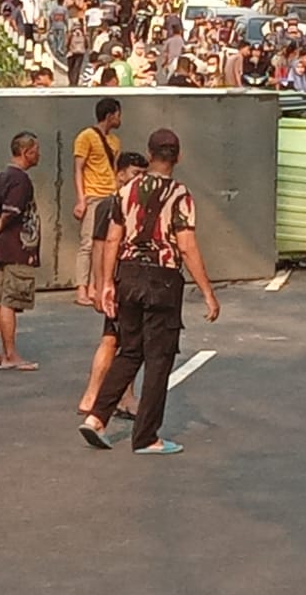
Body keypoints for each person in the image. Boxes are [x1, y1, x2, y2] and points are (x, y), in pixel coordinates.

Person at [79, 129, 220, 455]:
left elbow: (112, 238)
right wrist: (207, 292)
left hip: (128, 275)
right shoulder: (180, 195)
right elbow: (186, 245)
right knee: (159, 359)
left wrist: (108, 283)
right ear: (178, 156)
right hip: (162, 279)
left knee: (130, 350)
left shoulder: (126, 190)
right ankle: (146, 437)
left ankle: (97, 417)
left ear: (149, 153)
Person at [75, 151, 148, 422]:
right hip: (119, 282)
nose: (139, 179)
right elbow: (99, 246)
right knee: (123, 341)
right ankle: (115, 397)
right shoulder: (111, 205)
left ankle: (97, 396)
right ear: (120, 174)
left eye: (143, 175)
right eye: (135, 174)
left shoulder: (133, 203)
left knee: (116, 338)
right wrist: (99, 284)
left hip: (124, 282)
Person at [0, 132, 42, 371]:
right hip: (17, 249)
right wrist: (3, 223)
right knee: (9, 301)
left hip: (1, 249)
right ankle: (10, 355)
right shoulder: (20, 180)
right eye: (36, 150)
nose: (38, 155)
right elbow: (12, 209)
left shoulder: (3, 176)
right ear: (26, 152)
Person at [72, 98, 123, 306]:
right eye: (118, 114)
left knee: (104, 243)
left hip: (111, 194)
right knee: (87, 243)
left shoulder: (115, 141)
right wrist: (81, 199)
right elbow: (78, 168)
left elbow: (115, 169)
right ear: (110, 116)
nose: (120, 119)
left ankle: (96, 286)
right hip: (93, 195)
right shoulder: (86, 137)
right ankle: (81, 289)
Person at [65, 19, 88, 87]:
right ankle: (75, 82)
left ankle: (72, 82)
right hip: (80, 53)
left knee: (71, 68)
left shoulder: (71, 34)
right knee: (77, 68)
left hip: (71, 53)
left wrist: (68, 49)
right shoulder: (83, 35)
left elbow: (67, 43)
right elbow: (87, 44)